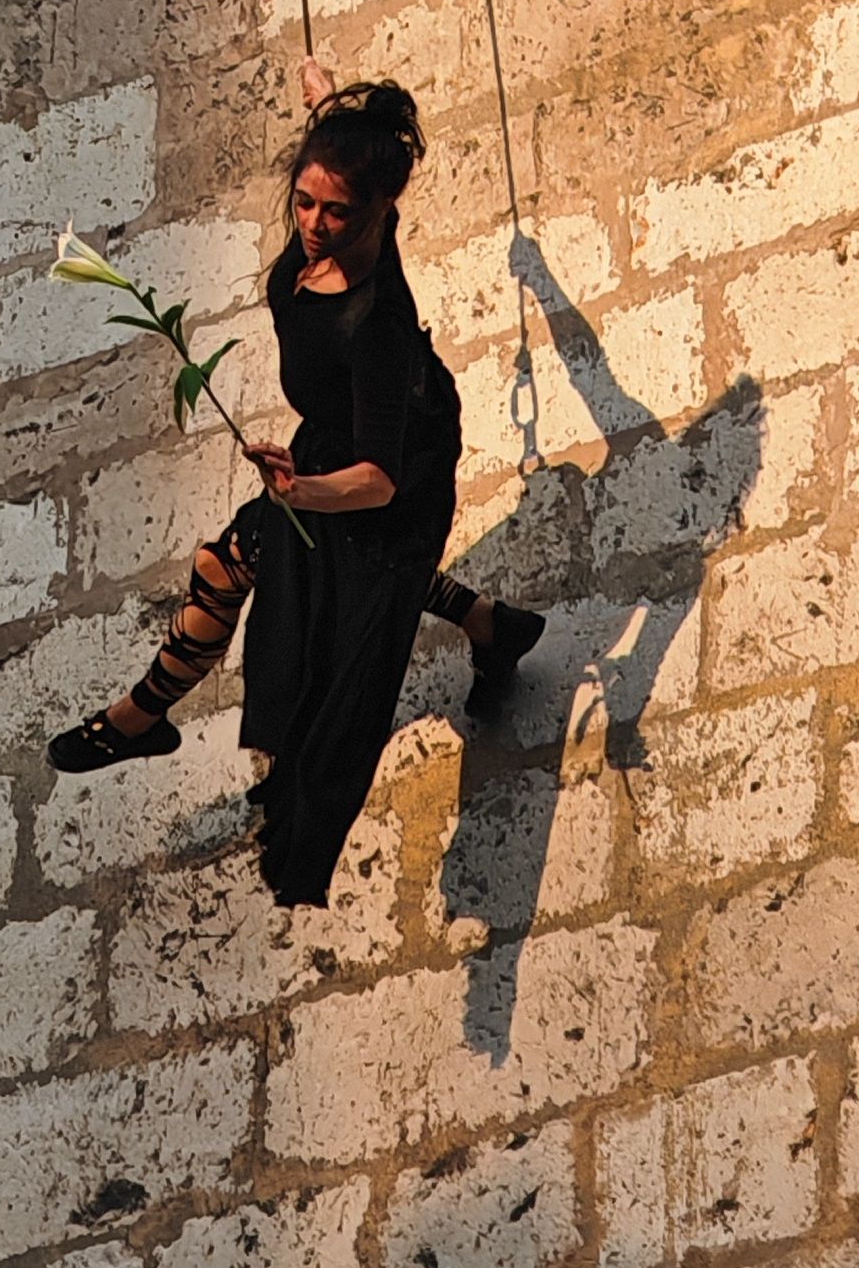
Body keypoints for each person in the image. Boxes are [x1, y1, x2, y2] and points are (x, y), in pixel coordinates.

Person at [46, 66, 547, 910]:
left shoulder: (378, 328)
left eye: (337, 211)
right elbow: (345, 157)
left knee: (233, 563)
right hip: (334, 449)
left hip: (382, 471)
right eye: (305, 201)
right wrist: (325, 103)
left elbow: (381, 485)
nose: (314, 224)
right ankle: (495, 628)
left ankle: (141, 716)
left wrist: (300, 492)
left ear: (381, 211)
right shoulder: (340, 225)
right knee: (356, 585)